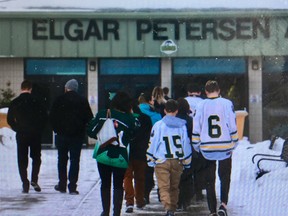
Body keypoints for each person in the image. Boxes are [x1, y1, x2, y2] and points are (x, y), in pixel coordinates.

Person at [192, 80, 239, 216]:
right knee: (225, 177)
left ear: (206, 91)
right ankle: (223, 205)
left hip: (207, 147)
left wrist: (197, 145)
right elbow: (232, 124)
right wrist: (234, 142)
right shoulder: (227, 103)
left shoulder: (201, 105)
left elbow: (197, 127)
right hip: (225, 146)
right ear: (218, 90)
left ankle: (212, 210)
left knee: (209, 180)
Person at [88, 91, 139, 216]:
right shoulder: (130, 119)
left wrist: (102, 135)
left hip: (103, 153)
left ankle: (105, 211)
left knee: (105, 183)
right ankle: (116, 212)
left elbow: (90, 131)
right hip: (120, 156)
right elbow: (134, 135)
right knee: (118, 185)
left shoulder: (103, 114)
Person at [147, 99, 192, 216]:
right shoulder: (182, 126)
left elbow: (153, 143)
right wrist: (187, 160)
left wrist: (150, 158)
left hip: (162, 160)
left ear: (165, 110)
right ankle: (172, 208)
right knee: (174, 187)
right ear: (177, 111)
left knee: (164, 187)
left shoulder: (158, 125)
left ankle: (168, 208)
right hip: (177, 160)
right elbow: (185, 144)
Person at [50, 79, 93, 195]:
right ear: (76, 88)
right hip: (77, 136)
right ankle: (72, 186)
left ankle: (62, 184)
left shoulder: (59, 100)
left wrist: (57, 129)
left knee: (62, 160)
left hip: (62, 135)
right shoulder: (82, 101)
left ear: (66, 88)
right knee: (75, 160)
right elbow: (89, 118)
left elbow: (52, 117)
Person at [7, 80, 48, 193]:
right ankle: (34, 179)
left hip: (21, 134)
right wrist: (39, 129)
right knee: (36, 157)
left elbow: (10, 120)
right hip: (35, 134)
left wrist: (17, 128)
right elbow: (44, 118)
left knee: (22, 159)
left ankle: (25, 182)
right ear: (30, 89)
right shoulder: (37, 101)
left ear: (21, 88)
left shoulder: (15, 102)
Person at [124, 103, 152, 213]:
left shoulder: (126, 119)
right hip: (141, 152)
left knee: (127, 177)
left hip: (128, 152)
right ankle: (140, 200)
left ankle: (129, 202)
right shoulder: (146, 119)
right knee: (140, 178)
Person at [138, 91, 162, 204]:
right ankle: (158, 192)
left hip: (139, 146)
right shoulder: (156, 115)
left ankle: (143, 194)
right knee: (154, 171)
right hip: (154, 146)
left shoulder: (136, 112)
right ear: (150, 101)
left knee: (141, 171)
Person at [176, 97, 194, 210]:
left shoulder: (174, 120)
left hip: (176, 151)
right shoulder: (190, 120)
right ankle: (186, 198)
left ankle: (178, 200)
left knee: (177, 176)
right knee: (187, 175)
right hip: (188, 151)